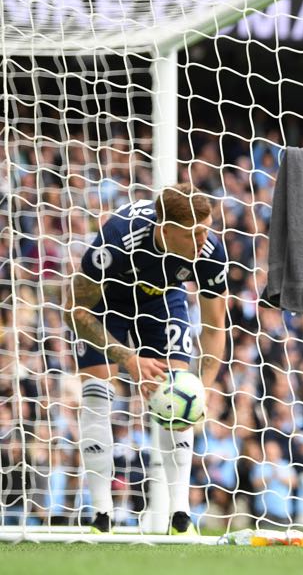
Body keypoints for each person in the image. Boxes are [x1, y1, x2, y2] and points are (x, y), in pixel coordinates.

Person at [64, 183, 227, 534]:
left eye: (206, 229)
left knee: (177, 393)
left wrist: (204, 389)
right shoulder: (117, 239)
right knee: (96, 390)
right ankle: (102, 516)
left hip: (162, 303)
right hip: (106, 304)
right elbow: (74, 309)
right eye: (195, 233)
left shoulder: (210, 251)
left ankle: (180, 517)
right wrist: (128, 359)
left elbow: (215, 327)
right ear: (165, 230)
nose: (204, 240)